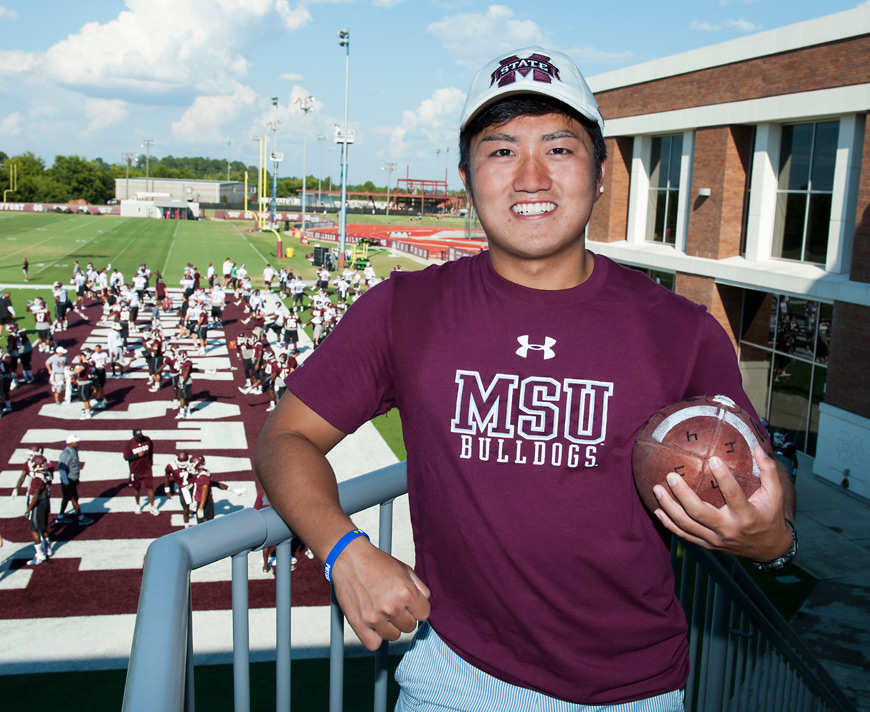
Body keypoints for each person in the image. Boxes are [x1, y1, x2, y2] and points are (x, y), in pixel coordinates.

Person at [253, 47, 797, 711]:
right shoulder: (404, 310)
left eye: (561, 149)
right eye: (502, 150)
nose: (531, 177)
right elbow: (285, 437)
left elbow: (768, 494)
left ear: (601, 172)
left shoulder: (681, 331)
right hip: (452, 673)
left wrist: (770, 540)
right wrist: (343, 551)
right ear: (466, 174)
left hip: (631, 693)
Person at [56, 434, 94, 525]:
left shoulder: (73, 450)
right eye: (76, 442)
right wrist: (66, 483)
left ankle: (60, 517)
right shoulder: (66, 454)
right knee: (74, 499)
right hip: (68, 480)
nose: (78, 443)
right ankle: (81, 518)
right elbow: (62, 469)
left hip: (71, 480)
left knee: (66, 498)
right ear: (71, 443)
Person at [124, 428, 160, 515]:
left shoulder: (147, 439)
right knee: (136, 488)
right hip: (135, 470)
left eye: (140, 437)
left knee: (150, 487)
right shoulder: (129, 444)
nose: (140, 439)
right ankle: (138, 504)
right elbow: (126, 457)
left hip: (147, 469)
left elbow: (151, 451)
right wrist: (137, 455)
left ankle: (153, 506)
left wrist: (151, 462)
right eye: (138, 437)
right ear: (134, 436)